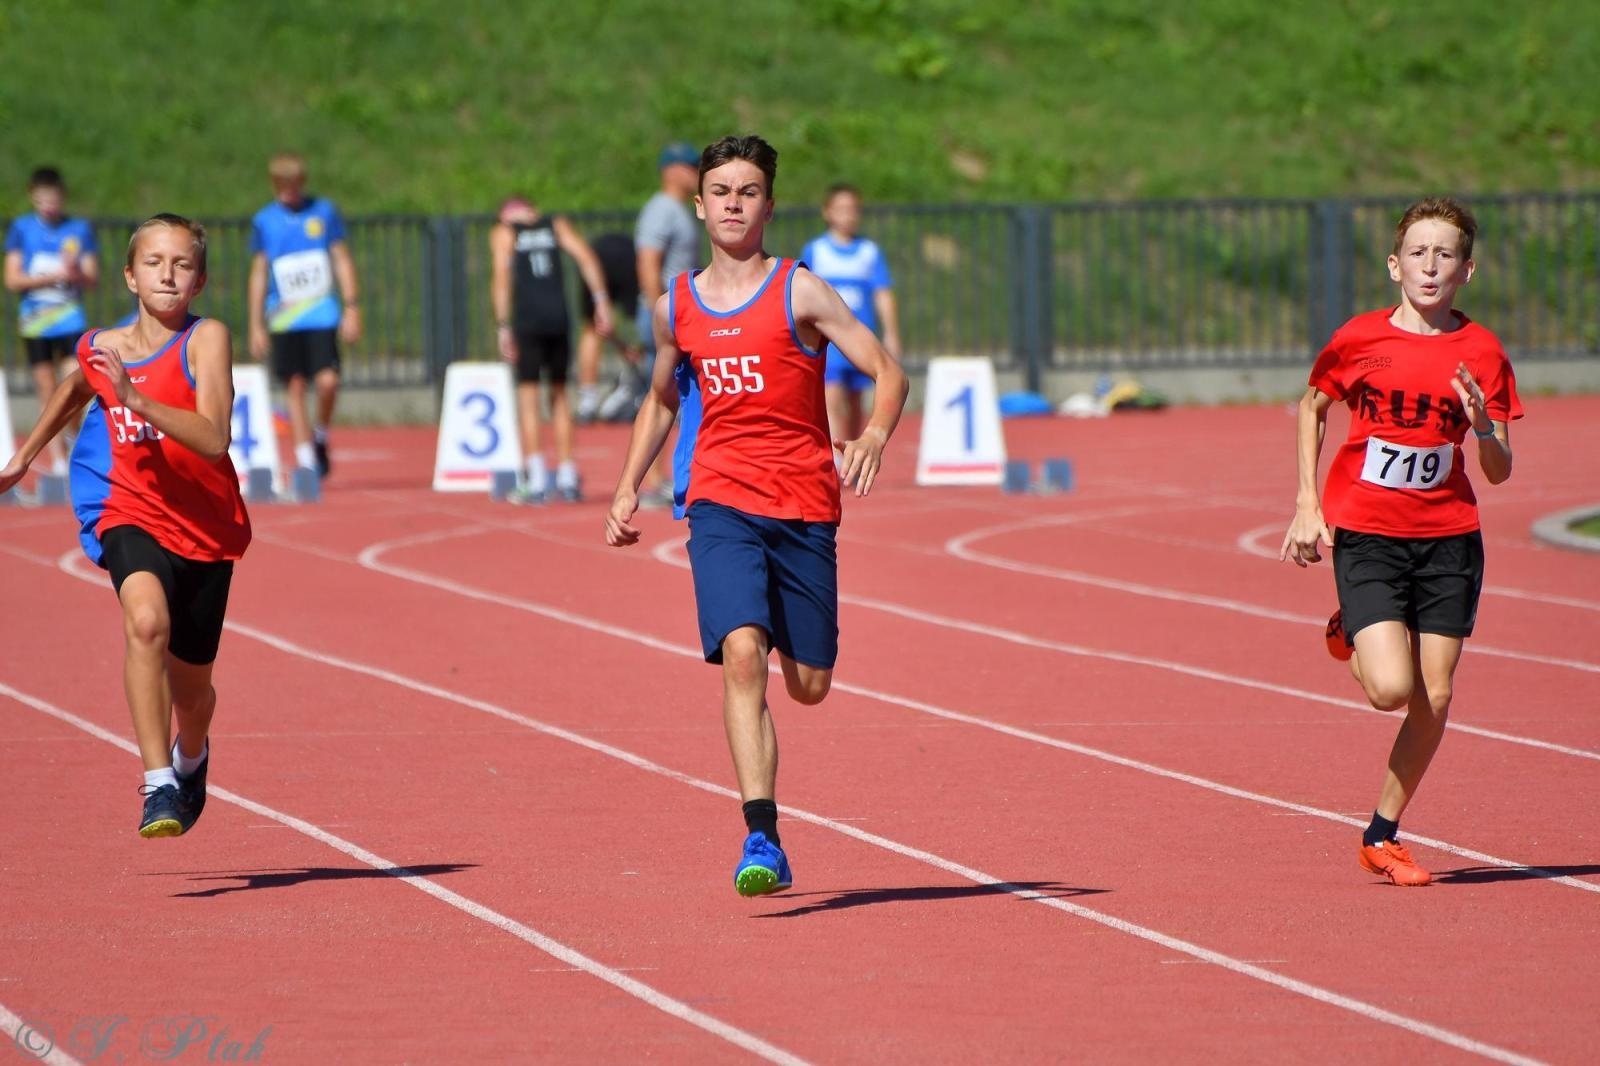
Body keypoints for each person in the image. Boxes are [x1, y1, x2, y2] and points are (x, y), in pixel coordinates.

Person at [604, 136, 909, 897]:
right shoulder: (674, 304)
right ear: (699, 205)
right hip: (719, 499)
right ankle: (761, 835)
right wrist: (626, 483)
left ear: (768, 206)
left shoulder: (800, 291)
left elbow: (889, 372)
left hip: (804, 503)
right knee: (742, 654)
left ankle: (780, 627)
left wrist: (872, 433)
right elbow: (662, 399)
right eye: (721, 190)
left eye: (749, 191)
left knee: (808, 685)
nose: (734, 203)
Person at [1280, 197, 1521, 887]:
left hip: (1449, 539)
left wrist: (1480, 429)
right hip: (1368, 531)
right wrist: (1305, 502)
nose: (1430, 265)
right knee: (1390, 690)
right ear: (1395, 265)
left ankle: (1382, 835)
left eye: (1445, 254)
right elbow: (1311, 406)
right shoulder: (1359, 339)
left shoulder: (1483, 352)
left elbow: (1500, 472)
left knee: (1435, 697)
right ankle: (1352, 632)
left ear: (1466, 271)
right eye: (1418, 252)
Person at [0, 213, 251, 838]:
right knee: (145, 622)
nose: (167, 275)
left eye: (182, 265)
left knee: (192, 695)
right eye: (154, 264)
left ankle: (191, 754)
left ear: (199, 281)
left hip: (203, 525)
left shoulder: (206, 339)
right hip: (123, 506)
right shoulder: (102, 345)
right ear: (130, 277)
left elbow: (214, 438)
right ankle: (158, 781)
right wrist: (24, 457)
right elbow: (73, 384)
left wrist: (135, 399)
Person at [489, 197, 613, 502]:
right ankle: (568, 474)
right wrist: (601, 301)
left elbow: (501, 278)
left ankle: (537, 477)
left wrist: (503, 325)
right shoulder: (555, 225)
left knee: (529, 398)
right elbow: (586, 258)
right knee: (559, 396)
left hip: (528, 321)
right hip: (558, 319)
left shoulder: (504, 233)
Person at [247, 153, 361, 478]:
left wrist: (352, 307)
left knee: (328, 381)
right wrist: (256, 323)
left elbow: (341, 258)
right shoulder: (265, 220)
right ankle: (306, 460)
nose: (289, 194)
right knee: (294, 385)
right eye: (282, 187)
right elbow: (258, 272)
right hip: (284, 317)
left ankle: (320, 433)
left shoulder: (323, 212)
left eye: (294, 187)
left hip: (321, 314)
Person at [612, 143, 702, 504]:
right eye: (689, 165)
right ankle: (655, 478)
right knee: (661, 392)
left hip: (679, 313)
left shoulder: (676, 210)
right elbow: (648, 263)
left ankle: (666, 474)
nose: (695, 171)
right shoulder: (661, 210)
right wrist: (657, 312)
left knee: (677, 392)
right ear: (670, 170)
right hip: (666, 314)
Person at [4, 167, 100, 477]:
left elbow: (92, 276)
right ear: (33, 197)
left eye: (54, 199)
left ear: (62, 197)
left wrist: (74, 273)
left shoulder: (78, 229)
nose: (49, 205)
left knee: (75, 383)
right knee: (47, 390)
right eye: (42, 199)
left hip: (70, 319)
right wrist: (46, 278)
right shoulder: (21, 229)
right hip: (36, 322)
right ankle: (58, 456)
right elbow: (13, 279)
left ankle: (73, 437)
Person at [800, 183, 902, 444]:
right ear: (828, 212)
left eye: (853, 209)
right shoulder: (816, 250)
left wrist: (891, 333)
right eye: (841, 209)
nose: (847, 215)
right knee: (831, 399)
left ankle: (853, 449)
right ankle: (834, 458)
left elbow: (882, 293)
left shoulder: (869, 252)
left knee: (856, 403)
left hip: (860, 336)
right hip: (829, 341)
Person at [575, 231, 642, 424]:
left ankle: (588, 401)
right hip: (625, 257)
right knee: (642, 322)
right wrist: (625, 346)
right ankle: (635, 387)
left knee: (592, 329)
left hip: (599, 253)